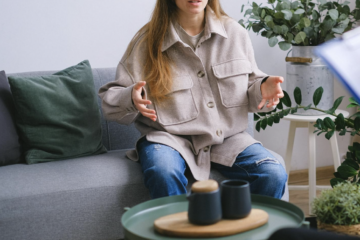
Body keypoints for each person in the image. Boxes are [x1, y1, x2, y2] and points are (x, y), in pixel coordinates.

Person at [99, 0, 287, 199]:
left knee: (273, 174)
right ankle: (178, 230)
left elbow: (251, 86)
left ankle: (247, 230)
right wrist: (131, 97)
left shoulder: (235, 33)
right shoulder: (146, 42)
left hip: (227, 139)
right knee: (163, 172)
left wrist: (262, 88)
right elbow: (110, 100)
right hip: (168, 140)